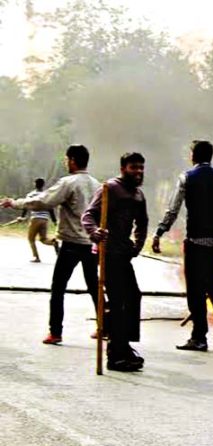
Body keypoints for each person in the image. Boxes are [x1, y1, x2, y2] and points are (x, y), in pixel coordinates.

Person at [152, 140, 213, 352]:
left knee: (196, 290)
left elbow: (173, 209)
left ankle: (199, 337)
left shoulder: (186, 178)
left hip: (196, 242)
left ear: (193, 156)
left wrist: (160, 231)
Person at [1, 145, 101, 345]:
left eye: (67, 159)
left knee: (58, 288)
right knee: (94, 286)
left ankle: (56, 332)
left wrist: (14, 202)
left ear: (71, 160)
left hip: (72, 243)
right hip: (91, 242)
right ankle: (105, 326)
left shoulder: (69, 182)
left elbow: (43, 201)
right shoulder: (97, 184)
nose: (66, 162)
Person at [82, 152, 148, 372]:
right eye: (133, 167)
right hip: (108, 253)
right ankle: (115, 354)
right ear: (123, 168)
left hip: (123, 254)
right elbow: (88, 215)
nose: (138, 172)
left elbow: (142, 223)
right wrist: (95, 232)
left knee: (133, 297)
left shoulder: (138, 195)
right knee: (118, 301)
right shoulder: (110, 188)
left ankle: (123, 345)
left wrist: (138, 245)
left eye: (141, 168)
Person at [18, 178, 60, 262]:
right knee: (43, 239)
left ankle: (36, 257)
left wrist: (22, 217)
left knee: (31, 238)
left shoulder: (31, 194)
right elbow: (50, 209)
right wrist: (54, 221)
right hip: (45, 219)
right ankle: (53, 242)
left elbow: (26, 206)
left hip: (36, 219)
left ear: (34, 184)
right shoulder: (46, 195)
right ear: (43, 185)